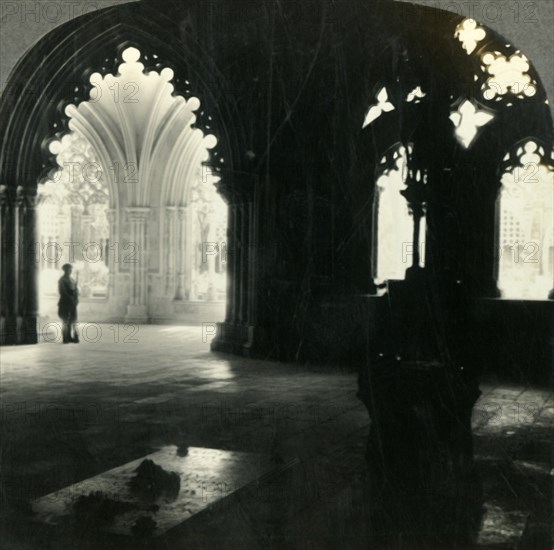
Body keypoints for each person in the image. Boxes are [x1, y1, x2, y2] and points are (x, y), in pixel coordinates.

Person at [58, 264, 79, 343]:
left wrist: (76, 298)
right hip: (65, 302)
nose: (70, 271)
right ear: (65, 270)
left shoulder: (72, 280)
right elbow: (62, 291)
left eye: (70, 270)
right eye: (69, 269)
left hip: (73, 302)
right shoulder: (62, 280)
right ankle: (65, 337)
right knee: (65, 320)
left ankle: (71, 337)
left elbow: (76, 290)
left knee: (73, 320)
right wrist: (70, 298)